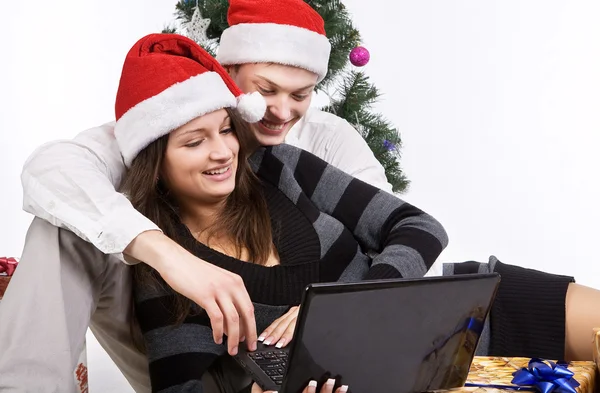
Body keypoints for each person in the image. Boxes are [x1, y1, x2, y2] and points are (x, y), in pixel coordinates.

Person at [115, 33, 447, 393]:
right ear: (155, 164)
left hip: (447, 328)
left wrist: (341, 309)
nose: (224, 152)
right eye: (195, 142)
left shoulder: (279, 167)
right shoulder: (172, 272)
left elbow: (420, 227)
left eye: (227, 130)